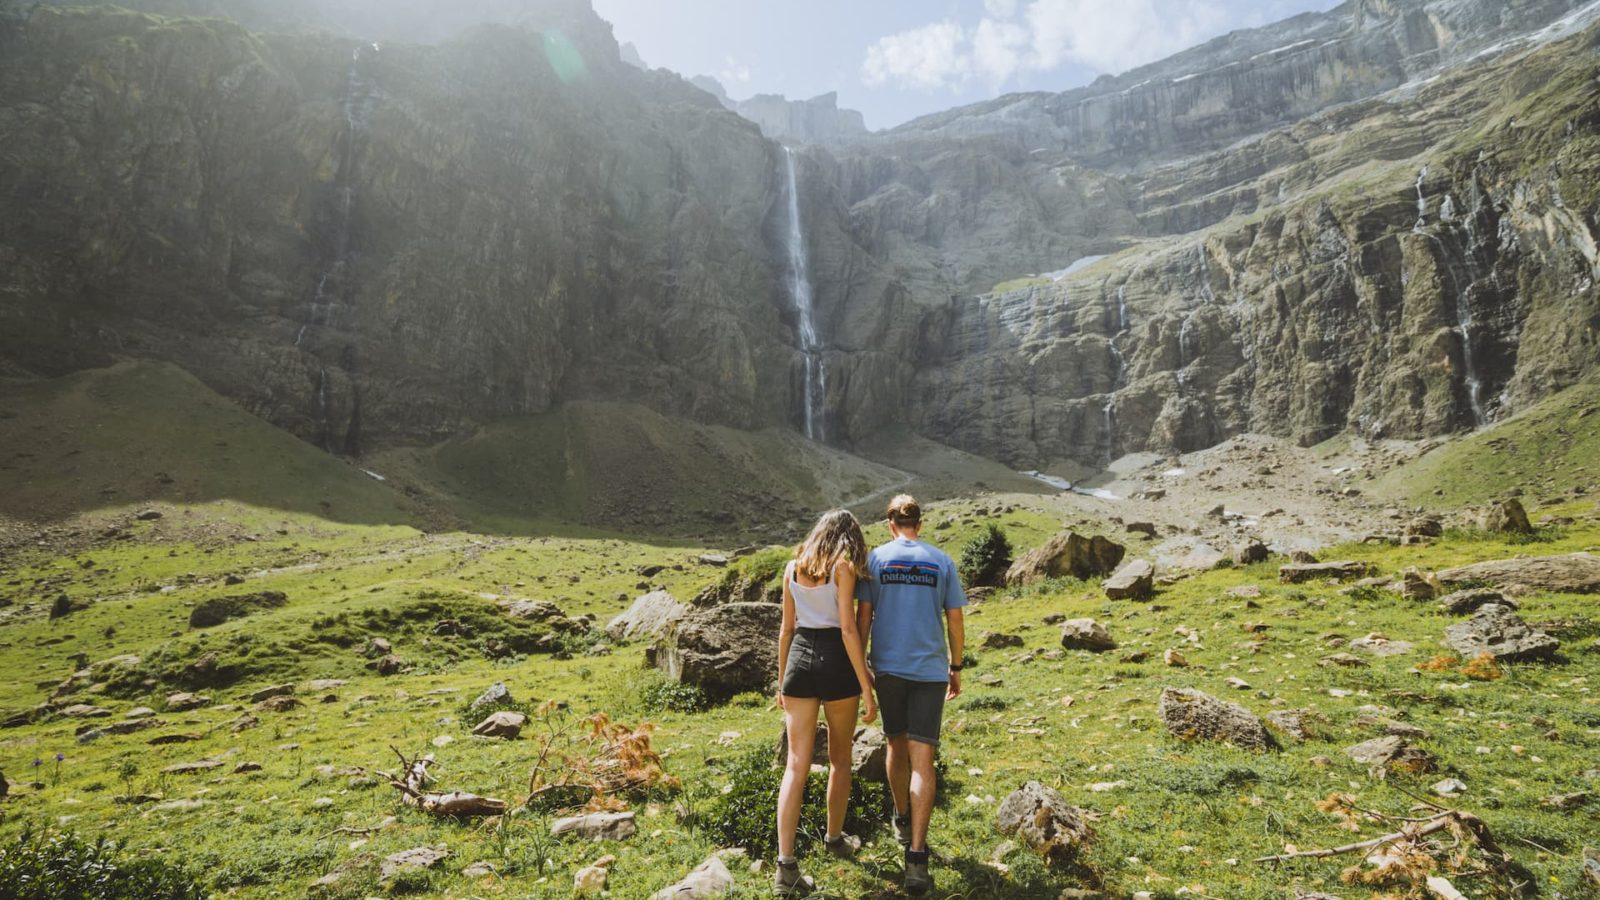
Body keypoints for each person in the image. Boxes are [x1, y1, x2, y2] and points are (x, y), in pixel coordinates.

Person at [855, 494, 965, 897]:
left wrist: (862, 667)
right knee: (925, 760)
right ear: (920, 523)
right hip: (930, 671)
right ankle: (917, 858)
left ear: (890, 524)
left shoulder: (876, 560)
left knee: (894, 745)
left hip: (887, 668)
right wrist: (956, 666)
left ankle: (901, 816)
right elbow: (954, 617)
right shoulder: (942, 561)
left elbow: (863, 617)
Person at [773, 509, 877, 896]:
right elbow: (848, 628)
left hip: (799, 660)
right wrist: (866, 684)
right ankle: (834, 838)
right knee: (839, 758)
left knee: (795, 765)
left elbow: (786, 629)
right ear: (848, 537)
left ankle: (785, 867)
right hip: (836, 662)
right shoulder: (843, 568)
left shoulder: (791, 567)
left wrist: (782, 681)